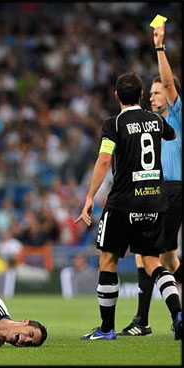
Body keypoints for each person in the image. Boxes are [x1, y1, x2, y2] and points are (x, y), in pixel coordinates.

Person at [75, 71, 182, 341]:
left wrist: (89, 196)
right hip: (153, 201)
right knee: (153, 262)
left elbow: (103, 160)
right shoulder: (156, 120)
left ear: (116, 96)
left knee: (108, 260)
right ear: (142, 95)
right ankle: (178, 315)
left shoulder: (114, 125)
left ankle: (107, 329)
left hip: (122, 202)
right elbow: (169, 135)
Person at [119, 22, 182, 337]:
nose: (154, 97)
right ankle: (145, 320)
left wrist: (159, 46)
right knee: (167, 259)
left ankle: (143, 322)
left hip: (170, 191)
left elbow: (170, 83)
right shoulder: (152, 124)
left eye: (158, 93)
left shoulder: (176, 116)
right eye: (152, 93)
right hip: (158, 191)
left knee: (148, 257)